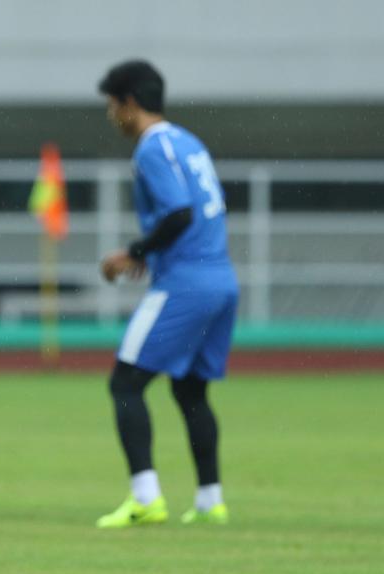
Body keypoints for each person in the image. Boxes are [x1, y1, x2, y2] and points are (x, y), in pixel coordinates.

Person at [93, 60, 239, 528]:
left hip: (187, 283)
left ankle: (146, 497)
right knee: (191, 390)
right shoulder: (188, 141)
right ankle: (210, 500)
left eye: (112, 106)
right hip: (221, 278)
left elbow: (178, 214)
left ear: (129, 103)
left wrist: (134, 252)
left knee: (125, 383)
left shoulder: (151, 149)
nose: (111, 115)